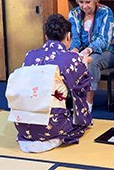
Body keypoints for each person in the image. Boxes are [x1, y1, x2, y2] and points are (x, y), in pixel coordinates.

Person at [14, 14, 92, 153]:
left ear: (46, 36)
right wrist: (84, 66)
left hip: (22, 124)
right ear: (68, 36)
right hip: (52, 125)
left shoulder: (30, 55)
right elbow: (82, 87)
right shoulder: (70, 58)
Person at [68, 0, 114, 112]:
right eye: (81, 2)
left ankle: (88, 103)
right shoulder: (75, 13)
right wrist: (74, 51)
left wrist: (88, 50)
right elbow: (75, 38)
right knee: (69, 59)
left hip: (107, 51)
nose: (84, 6)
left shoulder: (105, 12)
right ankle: (72, 100)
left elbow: (104, 40)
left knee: (91, 61)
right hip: (83, 51)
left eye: (88, 2)